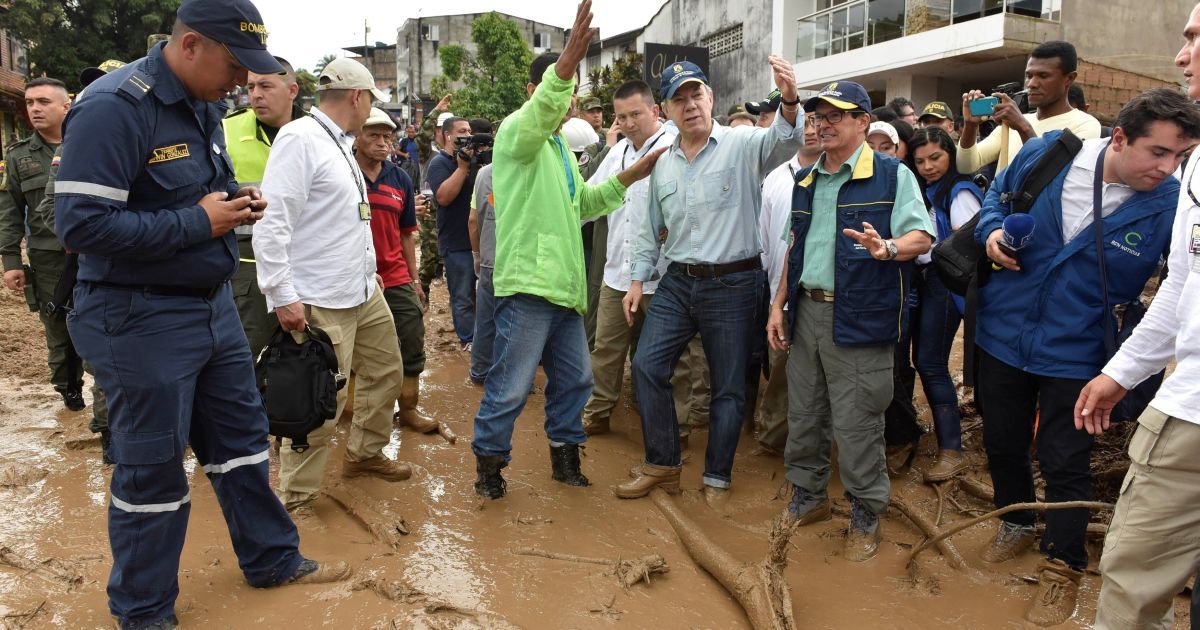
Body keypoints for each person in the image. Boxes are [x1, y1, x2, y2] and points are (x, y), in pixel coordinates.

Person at [54, 2, 351, 626]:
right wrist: (200, 221)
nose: (245, 81)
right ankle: (143, 610)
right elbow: (80, 226)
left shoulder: (202, 104)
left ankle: (272, 560)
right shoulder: (114, 107)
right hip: (138, 319)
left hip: (211, 309)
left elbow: (189, 192)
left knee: (243, 443)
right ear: (191, 46)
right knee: (154, 468)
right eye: (236, 64)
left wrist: (234, 203)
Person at [971, 88, 1198, 625]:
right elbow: (996, 198)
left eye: (1182, 157)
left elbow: (1178, 289)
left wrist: (1131, 364)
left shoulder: (1171, 204)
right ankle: (1016, 523)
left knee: (1066, 459)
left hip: (1077, 353)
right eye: (1159, 153)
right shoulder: (1049, 153)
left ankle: (1062, 564)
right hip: (1002, 332)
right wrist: (991, 234)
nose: (1169, 169)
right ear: (1118, 138)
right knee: (1003, 440)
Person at [470, 0, 665, 500]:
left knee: (576, 382)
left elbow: (585, 203)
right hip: (528, 289)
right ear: (536, 93)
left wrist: (631, 173)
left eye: (574, 92)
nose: (571, 101)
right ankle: (489, 469)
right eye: (564, 90)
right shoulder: (518, 134)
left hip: (566, 292)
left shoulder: (560, 152)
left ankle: (564, 458)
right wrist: (567, 64)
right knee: (511, 388)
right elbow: (542, 110)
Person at [615, 55, 802, 506]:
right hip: (677, 281)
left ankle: (717, 477)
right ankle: (663, 464)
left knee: (729, 387)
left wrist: (791, 100)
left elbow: (784, 141)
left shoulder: (741, 144)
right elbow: (650, 228)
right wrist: (638, 279)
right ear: (666, 109)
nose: (690, 104)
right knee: (646, 366)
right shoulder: (662, 163)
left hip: (735, 284)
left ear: (711, 98)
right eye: (679, 99)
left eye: (696, 94)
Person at [765, 80, 935, 561]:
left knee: (858, 421)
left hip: (860, 316)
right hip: (805, 313)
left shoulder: (891, 176)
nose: (823, 122)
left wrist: (888, 249)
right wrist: (777, 306)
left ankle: (865, 511)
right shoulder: (806, 178)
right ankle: (808, 496)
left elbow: (922, 237)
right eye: (818, 115)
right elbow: (791, 251)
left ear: (863, 121)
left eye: (836, 114)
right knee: (805, 413)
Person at [1077, 11, 1200, 626]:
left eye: (1196, 37)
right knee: (1131, 586)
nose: (1182, 56)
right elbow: (1181, 284)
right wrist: (1121, 372)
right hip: (1189, 414)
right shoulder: (1198, 169)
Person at [255, 57, 411, 510]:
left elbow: (339, 219)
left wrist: (368, 269)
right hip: (319, 299)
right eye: (370, 104)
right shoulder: (300, 140)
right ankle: (297, 499)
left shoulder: (339, 143)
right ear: (358, 97)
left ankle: (364, 454)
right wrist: (282, 295)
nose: (370, 113)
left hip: (363, 290)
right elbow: (273, 224)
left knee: (387, 374)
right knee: (320, 398)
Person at [578, 80, 676, 436]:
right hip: (616, 273)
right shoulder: (616, 154)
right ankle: (599, 411)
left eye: (636, 113)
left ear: (655, 111)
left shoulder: (674, 148)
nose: (629, 122)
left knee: (663, 357)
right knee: (606, 348)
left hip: (663, 276)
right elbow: (589, 201)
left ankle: (668, 423)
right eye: (622, 116)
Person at [906, 127, 983, 481]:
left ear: (951, 154)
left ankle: (952, 451)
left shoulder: (960, 191)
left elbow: (969, 246)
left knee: (930, 361)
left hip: (947, 283)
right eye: (920, 161)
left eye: (935, 158)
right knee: (926, 359)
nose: (927, 166)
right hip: (929, 281)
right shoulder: (927, 188)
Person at [1, 78, 81, 410]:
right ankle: (70, 394)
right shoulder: (19, 156)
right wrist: (11, 263)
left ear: (66, 106)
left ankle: (108, 402)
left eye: (43, 102)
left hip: (94, 253)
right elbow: (8, 211)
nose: (35, 108)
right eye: (31, 102)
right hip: (49, 260)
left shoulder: (89, 142)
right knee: (58, 330)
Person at [357, 107, 438, 434]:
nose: (382, 143)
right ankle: (351, 417)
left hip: (395, 276)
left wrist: (414, 279)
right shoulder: (343, 174)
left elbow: (407, 234)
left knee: (411, 340)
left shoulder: (399, 178)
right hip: (353, 278)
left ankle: (408, 411)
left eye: (387, 137)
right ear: (356, 138)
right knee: (348, 353)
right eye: (373, 135)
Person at [222, 56, 304, 358]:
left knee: (309, 365)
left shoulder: (315, 135)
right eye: (252, 86)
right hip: (248, 269)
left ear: (292, 90)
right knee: (246, 360)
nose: (255, 94)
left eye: (266, 86)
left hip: (306, 264)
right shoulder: (227, 131)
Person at [755, 112, 821, 454]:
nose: (811, 131)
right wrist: (771, 299)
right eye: (805, 124)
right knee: (779, 368)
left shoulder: (837, 177)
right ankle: (772, 438)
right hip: (778, 294)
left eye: (817, 123)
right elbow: (765, 240)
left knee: (821, 372)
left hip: (822, 293)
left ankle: (816, 448)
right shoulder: (776, 179)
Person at [959, 41, 1101, 174]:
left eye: (1043, 76)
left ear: (1069, 79)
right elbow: (965, 166)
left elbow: (1049, 173)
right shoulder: (1011, 123)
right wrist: (970, 126)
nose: (1031, 84)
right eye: (1029, 76)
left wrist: (1023, 127)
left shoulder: (1086, 125)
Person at [427, 115, 479, 350]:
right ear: (448, 135)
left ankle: (483, 338)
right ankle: (468, 340)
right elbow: (444, 197)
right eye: (461, 131)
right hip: (456, 242)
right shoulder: (439, 163)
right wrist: (462, 168)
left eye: (469, 131)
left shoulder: (477, 161)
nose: (467, 135)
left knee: (483, 295)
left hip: (479, 239)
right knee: (462, 295)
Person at [415, 95, 453, 306]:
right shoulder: (428, 152)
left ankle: (454, 299)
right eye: (439, 129)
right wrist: (437, 109)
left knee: (451, 254)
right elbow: (422, 135)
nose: (442, 134)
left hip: (451, 206)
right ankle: (424, 293)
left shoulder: (456, 153)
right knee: (429, 256)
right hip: (430, 208)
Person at [468, 162, 496, 385]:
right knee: (511, 322)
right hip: (517, 262)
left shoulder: (484, 174)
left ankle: (480, 371)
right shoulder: (532, 169)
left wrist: (477, 255)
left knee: (485, 319)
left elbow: (473, 221)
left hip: (489, 258)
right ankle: (507, 378)